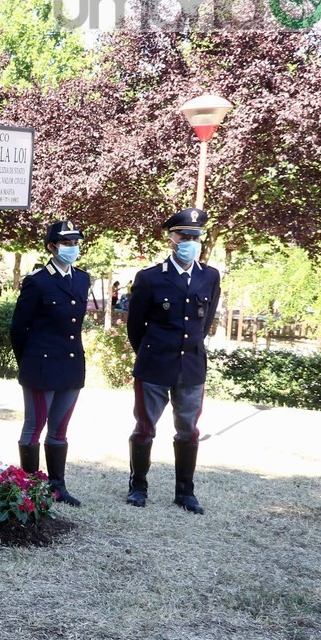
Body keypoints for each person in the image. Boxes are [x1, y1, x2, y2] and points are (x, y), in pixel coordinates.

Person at [125, 207, 222, 515]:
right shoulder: (150, 278)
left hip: (191, 366)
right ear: (171, 239)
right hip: (154, 364)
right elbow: (135, 326)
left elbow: (204, 324)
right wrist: (151, 351)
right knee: (145, 428)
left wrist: (189, 347)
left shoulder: (210, 276)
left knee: (188, 430)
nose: (190, 242)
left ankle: (185, 492)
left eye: (195, 236)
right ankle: (138, 486)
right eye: (184, 236)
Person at [9, 220, 90, 506]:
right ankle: (29, 486)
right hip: (40, 366)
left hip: (70, 366)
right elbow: (18, 329)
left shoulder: (82, 279)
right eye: (66, 243)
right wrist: (29, 363)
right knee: (35, 426)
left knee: (60, 429)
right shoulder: (37, 281)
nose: (72, 248)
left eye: (75, 243)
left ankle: (57, 486)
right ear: (51, 247)